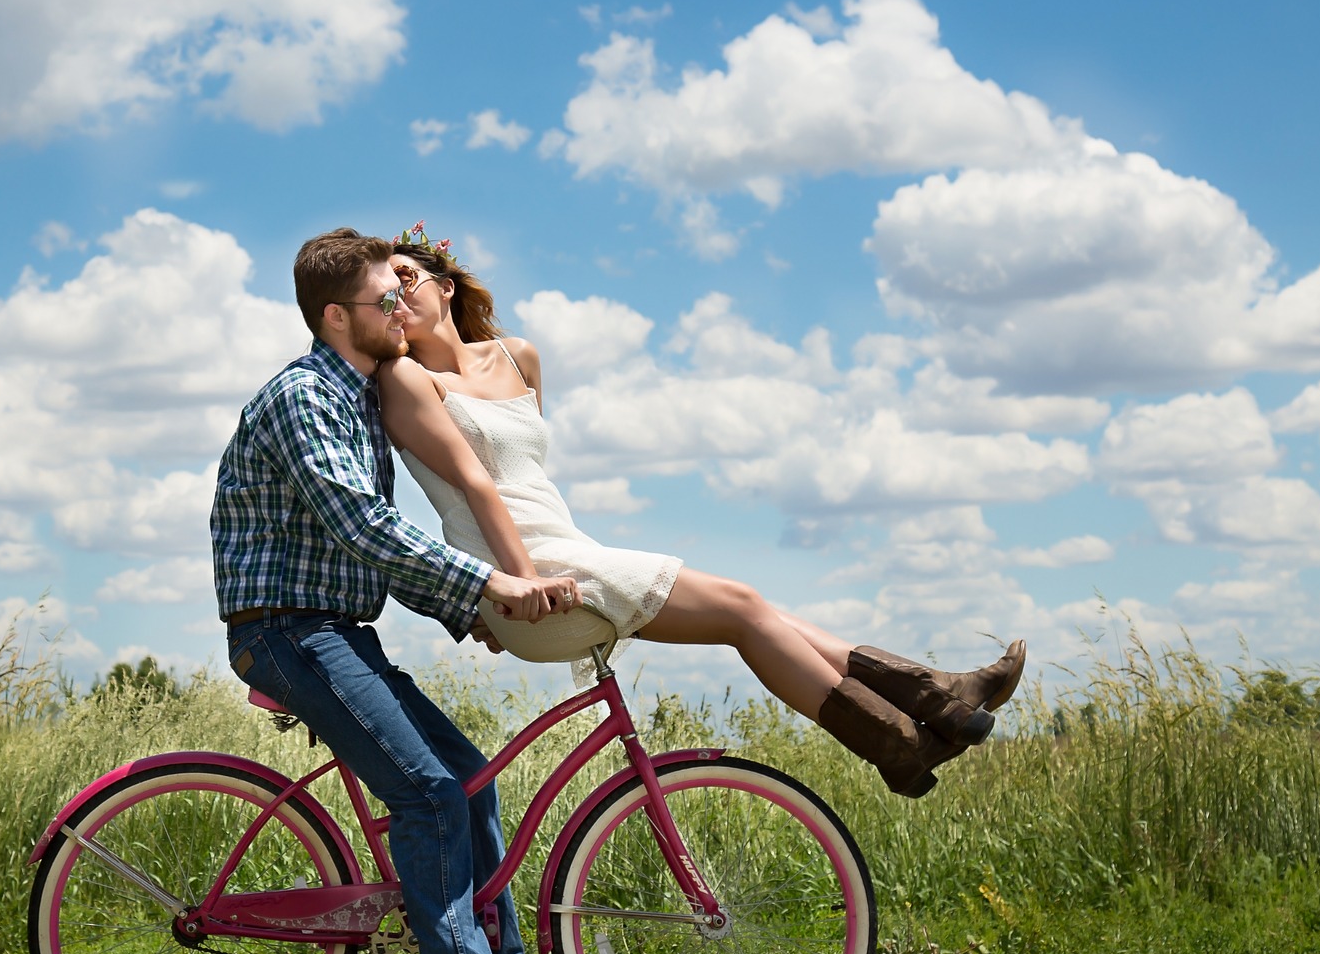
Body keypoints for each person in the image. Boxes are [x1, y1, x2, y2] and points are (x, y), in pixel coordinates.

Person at [377, 223, 1026, 798]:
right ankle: (910, 730)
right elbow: (475, 490)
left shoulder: (518, 357)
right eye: (382, 293)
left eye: (406, 278)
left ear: (446, 284)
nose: (397, 297)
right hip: (528, 576)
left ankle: (930, 711)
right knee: (744, 610)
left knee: (755, 611)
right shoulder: (408, 381)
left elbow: (528, 482)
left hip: (562, 552)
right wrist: (502, 587)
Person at [210, 228, 589, 954]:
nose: (403, 310)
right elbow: (364, 527)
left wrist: (468, 611)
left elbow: (368, 553)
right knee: (429, 797)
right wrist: (492, 585)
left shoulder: (357, 401)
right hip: (286, 632)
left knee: (470, 780)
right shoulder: (306, 398)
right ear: (339, 315)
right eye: (389, 298)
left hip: (337, 629)